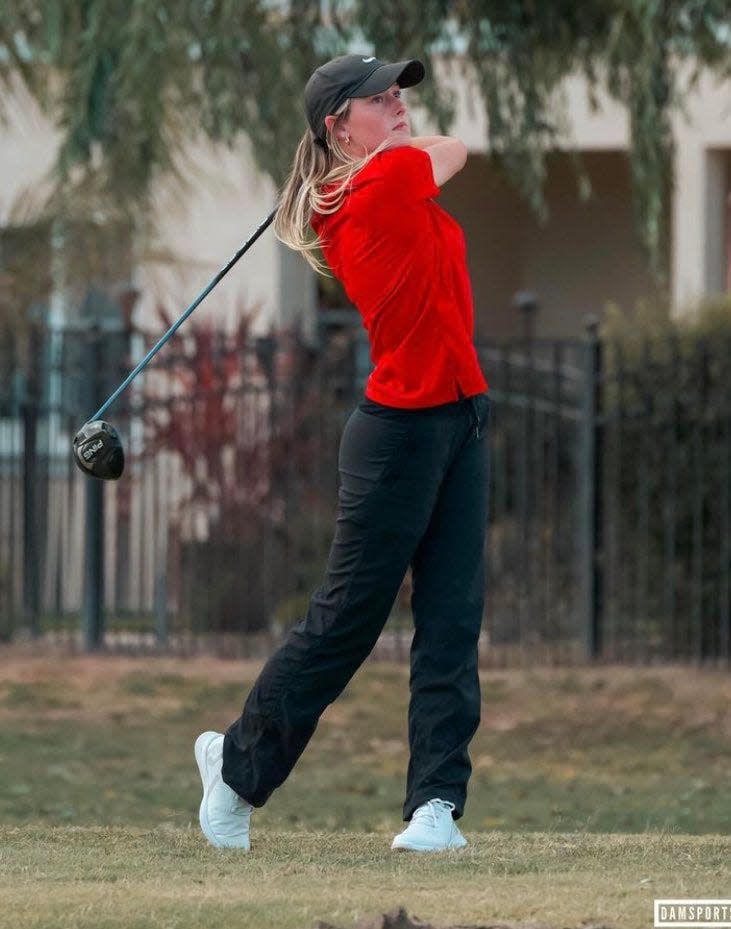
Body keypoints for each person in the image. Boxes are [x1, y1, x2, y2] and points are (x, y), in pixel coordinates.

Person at [194, 53, 490, 853]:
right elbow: (453, 146)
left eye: (400, 95)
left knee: (451, 617)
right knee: (345, 623)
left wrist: (370, 143)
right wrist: (387, 147)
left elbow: (444, 146)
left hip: (459, 420)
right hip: (398, 434)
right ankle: (235, 767)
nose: (397, 105)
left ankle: (435, 806)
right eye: (380, 98)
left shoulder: (371, 178)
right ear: (336, 124)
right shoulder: (382, 181)